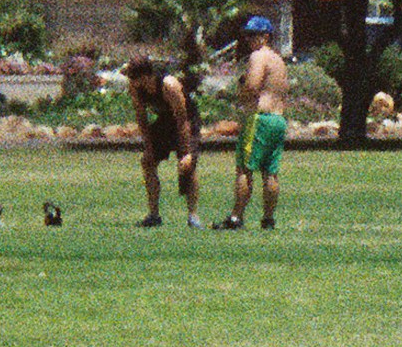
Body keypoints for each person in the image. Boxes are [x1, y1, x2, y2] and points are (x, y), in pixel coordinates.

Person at [220, 13, 288, 231]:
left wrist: (238, 93)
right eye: (247, 35)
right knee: (270, 171)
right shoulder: (278, 59)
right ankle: (268, 219)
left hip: (259, 119)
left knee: (244, 169)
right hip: (278, 119)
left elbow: (252, 87)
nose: (249, 40)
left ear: (266, 36)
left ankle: (236, 217)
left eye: (254, 35)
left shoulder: (258, 57)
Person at [123, 52, 202, 228]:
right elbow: (141, 118)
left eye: (134, 77)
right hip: (165, 121)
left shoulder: (169, 85)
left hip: (186, 121)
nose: (132, 81)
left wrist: (187, 152)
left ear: (145, 76)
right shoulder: (136, 88)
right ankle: (153, 215)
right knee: (147, 162)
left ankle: (193, 216)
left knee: (187, 165)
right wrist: (149, 147)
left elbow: (182, 120)